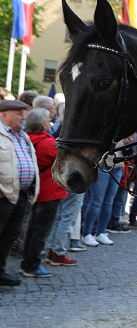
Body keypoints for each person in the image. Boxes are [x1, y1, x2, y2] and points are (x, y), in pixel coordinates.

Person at [19, 108, 67, 278]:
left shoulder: (26, 139)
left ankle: (28, 261)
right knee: (40, 231)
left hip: (36, 192)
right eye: (48, 119)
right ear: (42, 124)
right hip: (49, 193)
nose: (50, 122)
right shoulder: (47, 143)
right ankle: (31, 265)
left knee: (33, 229)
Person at [0, 100, 39, 286]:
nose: (24, 117)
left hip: (21, 195)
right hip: (3, 196)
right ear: (4, 115)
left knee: (8, 237)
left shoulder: (22, 135)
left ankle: (0, 271)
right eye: (19, 114)